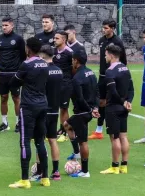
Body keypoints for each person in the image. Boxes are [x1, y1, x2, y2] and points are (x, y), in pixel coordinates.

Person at [8, 38, 50, 189]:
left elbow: (14, 82)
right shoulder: (45, 64)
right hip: (43, 104)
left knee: (25, 141)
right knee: (40, 140)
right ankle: (45, 177)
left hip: (28, 106)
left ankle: (25, 179)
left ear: (28, 49)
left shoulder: (26, 64)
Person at [89, 19, 127, 140]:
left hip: (114, 76)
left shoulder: (117, 42)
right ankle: (99, 130)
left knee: (112, 102)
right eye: (103, 28)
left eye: (106, 28)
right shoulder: (101, 40)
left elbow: (123, 60)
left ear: (113, 29)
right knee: (101, 101)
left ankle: (117, 129)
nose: (103, 30)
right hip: (102, 76)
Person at [30, 45, 63, 182]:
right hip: (55, 110)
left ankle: (39, 171)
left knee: (39, 141)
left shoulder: (42, 71)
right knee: (53, 139)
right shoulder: (59, 71)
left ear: (42, 56)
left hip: (42, 109)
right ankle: (56, 172)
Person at [64, 50, 99, 178]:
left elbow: (79, 98)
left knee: (83, 142)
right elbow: (96, 92)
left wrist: (89, 110)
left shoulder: (77, 78)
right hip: (88, 110)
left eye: (73, 60)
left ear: (76, 61)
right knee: (66, 125)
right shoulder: (91, 73)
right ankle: (76, 153)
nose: (72, 62)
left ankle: (85, 171)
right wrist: (95, 107)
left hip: (82, 113)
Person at [100, 44, 134, 175]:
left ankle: (114, 167)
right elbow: (131, 89)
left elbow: (113, 92)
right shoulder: (125, 68)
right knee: (123, 136)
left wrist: (122, 102)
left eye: (106, 54)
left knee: (114, 138)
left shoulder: (110, 71)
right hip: (124, 108)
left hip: (113, 108)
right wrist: (128, 102)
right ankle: (124, 166)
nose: (105, 56)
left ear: (111, 55)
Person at [0, 16, 26, 132]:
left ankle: (18, 123)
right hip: (2, 72)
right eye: (2, 25)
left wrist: (18, 68)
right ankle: (4, 123)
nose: (4, 27)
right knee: (3, 97)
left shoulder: (18, 39)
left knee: (16, 97)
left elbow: (23, 55)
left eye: (6, 25)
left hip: (15, 73)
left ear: (12, 25)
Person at [52, 31, 73, 142]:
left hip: (65, 84)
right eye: (54, 38)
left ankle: (65, 132)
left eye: (57, 38)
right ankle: (59, 130)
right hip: (55, 84)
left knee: (64, 108)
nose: (54, 40)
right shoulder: (53, 51)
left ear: (64, 40)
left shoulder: (69, 53)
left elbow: (74, 68)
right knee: (55, 108)